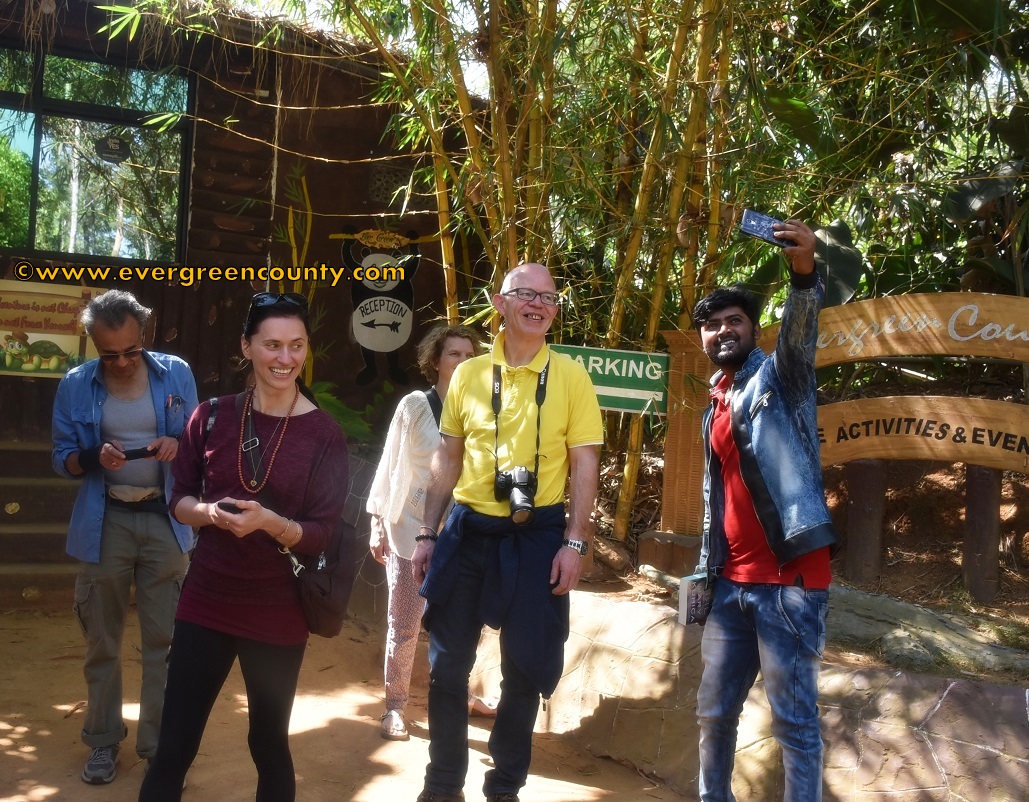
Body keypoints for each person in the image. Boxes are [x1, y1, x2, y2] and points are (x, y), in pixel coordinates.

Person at [138, 291, 349, 802]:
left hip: (278, 609)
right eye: (272, 344)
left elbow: (322, 532)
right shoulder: (210, 416)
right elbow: (179, 499)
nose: (285, 358)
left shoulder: (324, 434)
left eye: (296, 345)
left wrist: (271, 523)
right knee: (174, 743)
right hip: (207, 598)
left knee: (268, 743)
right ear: (246, 347)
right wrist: (210, 514)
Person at [411, 263, 603, 802]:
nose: (538, 304)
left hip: (537, 535)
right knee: (447, 667)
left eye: (548, 297)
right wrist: (427, 532)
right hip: (469, 530)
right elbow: (447, 457)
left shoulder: (571, 377)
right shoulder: (469, 375)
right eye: (525, 294)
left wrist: (574, 541)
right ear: (500, 302)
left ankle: (504, 788)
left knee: (524, 671)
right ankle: (442, 785)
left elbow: (584, 463)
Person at [690, 219, 839, 802]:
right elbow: (718, 498)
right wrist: (707, 573)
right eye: (711, 324)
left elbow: (800, 334)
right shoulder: (715, 401)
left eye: (734, 321)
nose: (723, 330)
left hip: (789, 583)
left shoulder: (780, 378)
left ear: (754, 330)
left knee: (795, 724)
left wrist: (803, 272)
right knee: (713, 713)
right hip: (730, 584)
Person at [51, 289, 199, 785]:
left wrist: (177, 442)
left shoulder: (176, 373)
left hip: (166, 520)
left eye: (130, 351)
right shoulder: (75, 384)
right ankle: (103, 741)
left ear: (144, 334)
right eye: (108, 354)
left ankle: (160, 749)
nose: (120, 362)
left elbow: (201, 443)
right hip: (105, 521)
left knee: (166, 642)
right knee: (102, 641)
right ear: (93, 344)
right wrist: (93, 457)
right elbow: (63, 459)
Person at [367, 324, 496, 742]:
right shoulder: (415, 406)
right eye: (453, 354)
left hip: (462, 532)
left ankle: (459, 695)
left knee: (461, 624)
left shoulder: (486, 408)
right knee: (404, 622)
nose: (461, 361)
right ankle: (394, 707)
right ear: (435, 361)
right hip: (408, 528)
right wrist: (376, 520)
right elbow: (391, 461)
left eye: (469, 355)